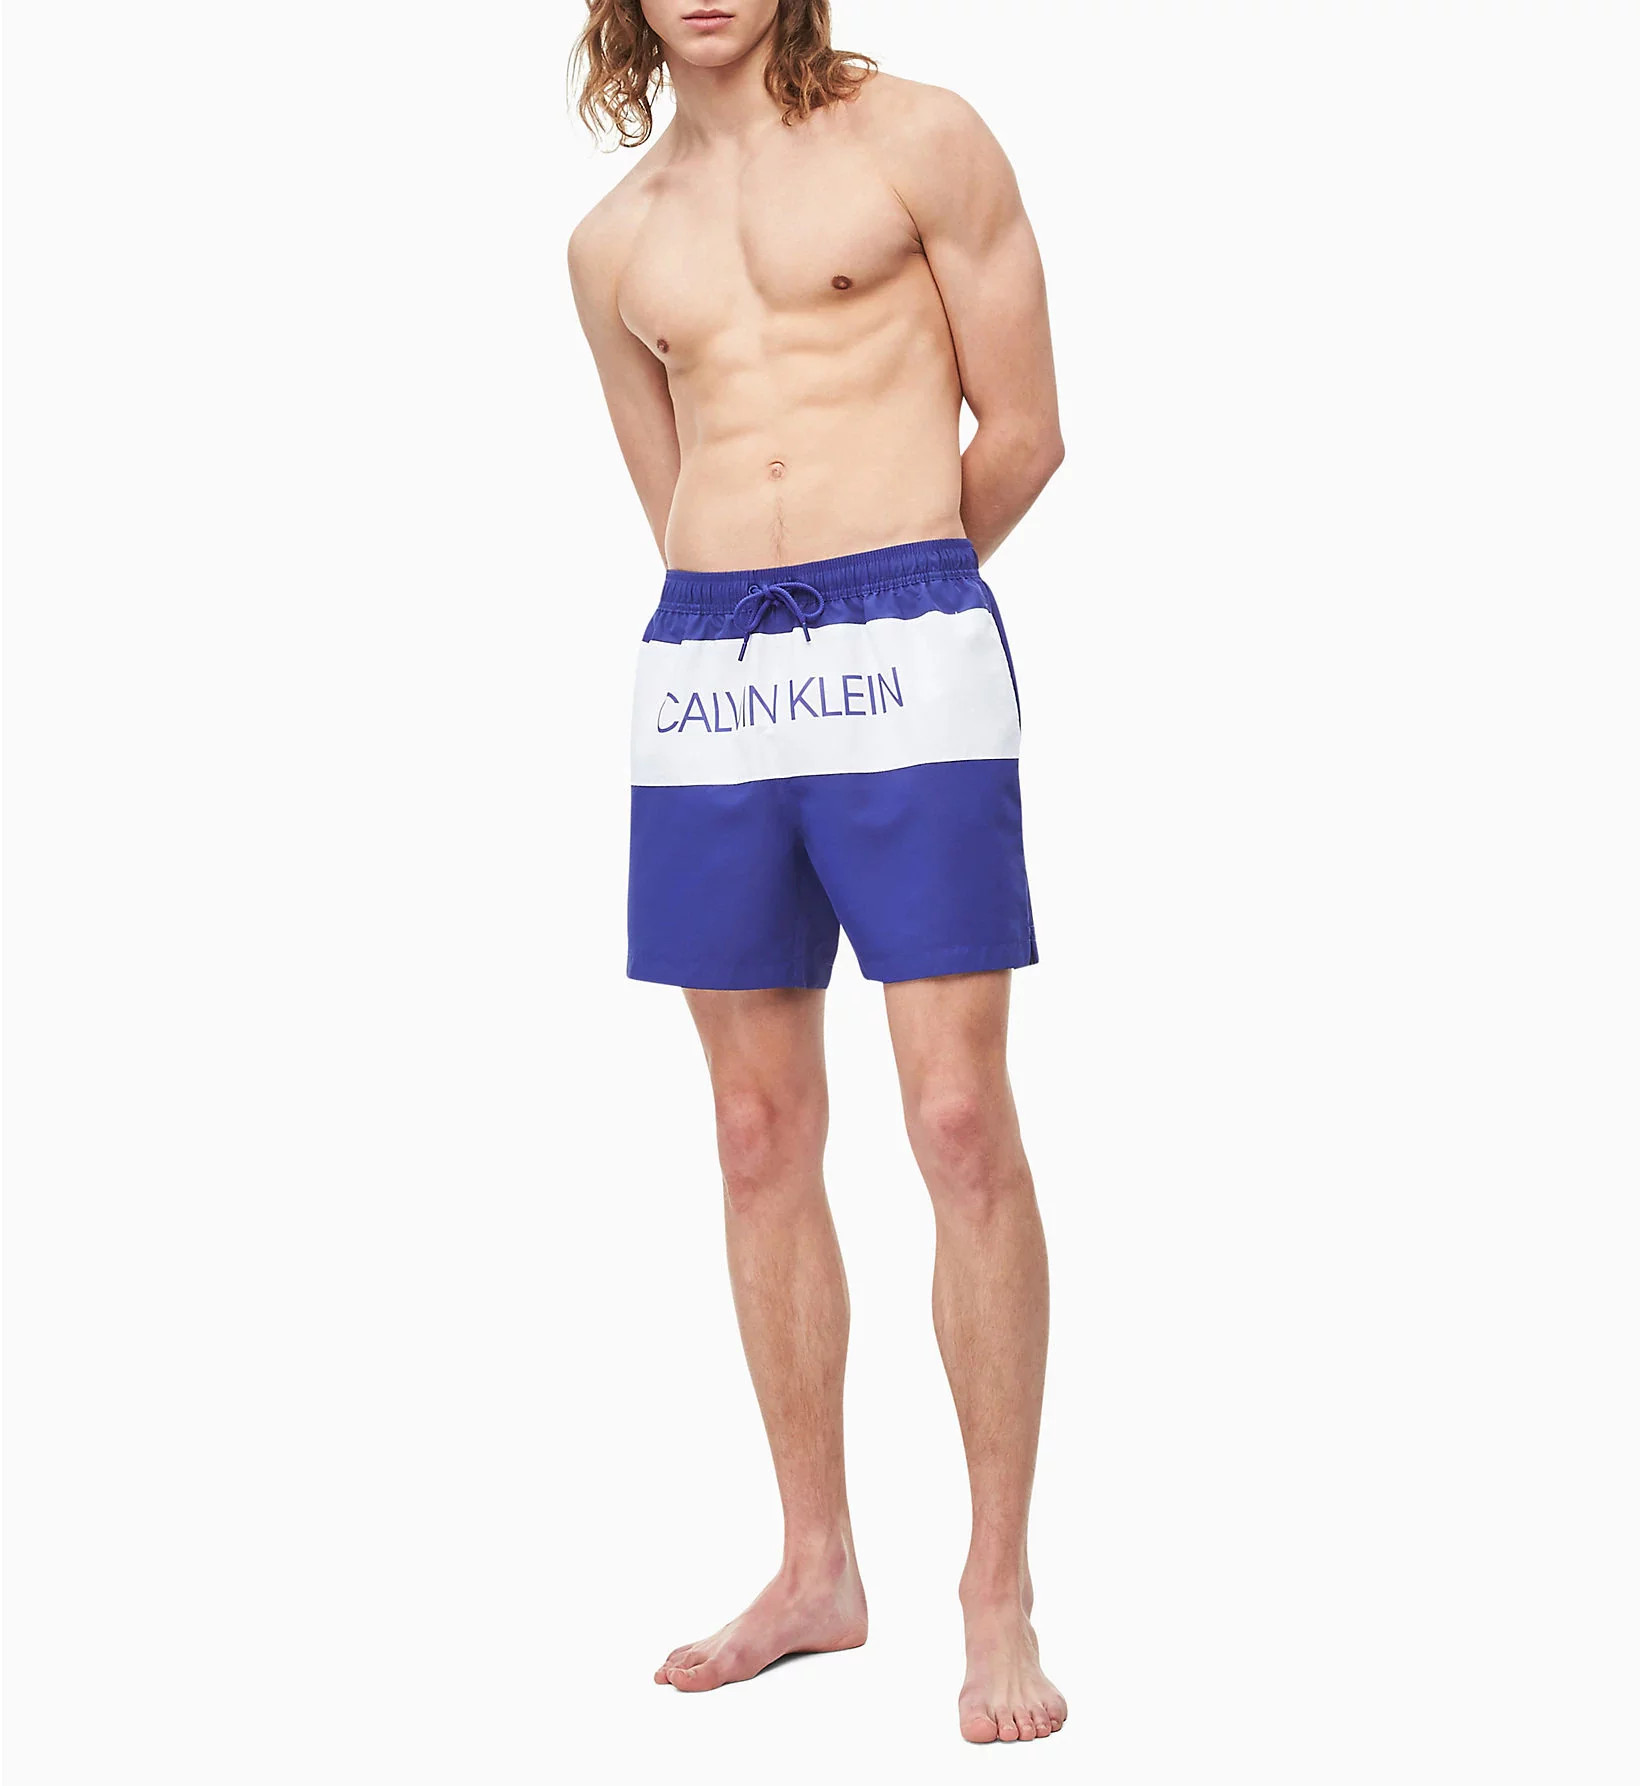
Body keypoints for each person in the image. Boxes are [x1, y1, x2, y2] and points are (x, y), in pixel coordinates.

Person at [569, 0, 1067, 1745]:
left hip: (905, 641)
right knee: (754, 1130)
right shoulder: (612, 242)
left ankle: (994, 1585)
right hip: (713, 670)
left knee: (958, 1117)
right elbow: (670, 500)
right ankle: (814, 1565)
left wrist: (896, 595)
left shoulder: (920, 137)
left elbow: (1026, 429)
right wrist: (768, 633)